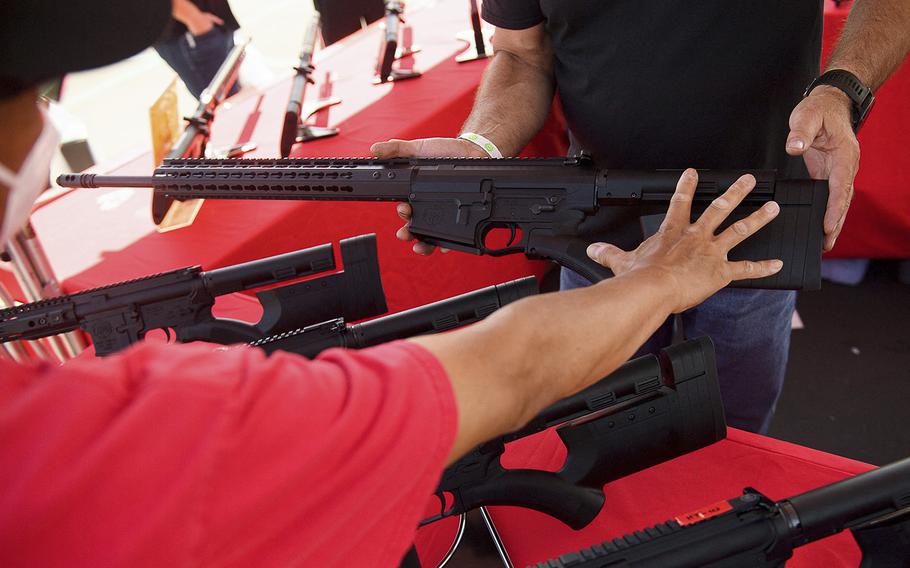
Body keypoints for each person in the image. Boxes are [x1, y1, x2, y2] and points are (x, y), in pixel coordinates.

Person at [1, 2, 782, 566]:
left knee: (736, 423)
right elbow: (500, 372)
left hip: (746, 196)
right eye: (29, 96)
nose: (40, 127)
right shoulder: (144, 430)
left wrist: (843, 86)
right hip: (620, 241)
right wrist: (659, 283)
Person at [374, 0, 910, 435]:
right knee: (598, 429)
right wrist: (480, 144)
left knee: (735, 436)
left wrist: (844, 88)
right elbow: (521, 54)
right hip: (598, 233)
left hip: (752, 220)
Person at [154, 0, 242, 99]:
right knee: (226, 102)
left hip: (209, 22)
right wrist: (194, 18)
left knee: (235, 100)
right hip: (189, 33)